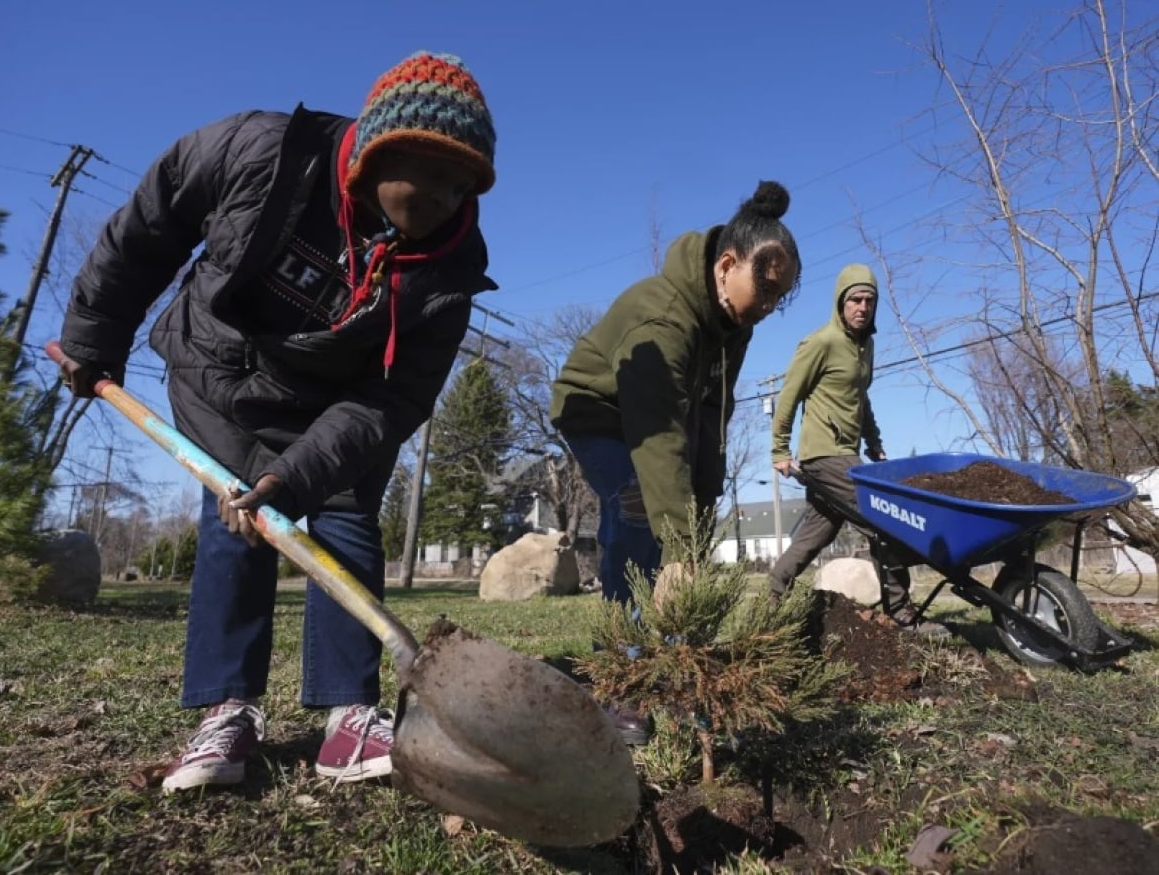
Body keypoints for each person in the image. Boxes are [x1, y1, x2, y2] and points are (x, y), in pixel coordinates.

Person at [56, 51, 499, 791]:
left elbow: (397, 399)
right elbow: (150, 226)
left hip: (342, 403)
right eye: (430, 172)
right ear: (380, 148)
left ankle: (350, 713)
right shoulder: (260, 152)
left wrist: (298, 475)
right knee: (237, 517)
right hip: (222, 371)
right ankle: (226, 710)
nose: (447, 198)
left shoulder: (451, 263)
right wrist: (93, 335)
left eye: (464, 184)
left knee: (349, 515)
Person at [549, 181, 802, 739]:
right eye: (762, 290)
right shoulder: (663, 319)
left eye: (777, 298)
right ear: (726, 265)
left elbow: (712, 413)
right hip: (597, 408)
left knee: (683, 525)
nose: (767, 307)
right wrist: (680, 548)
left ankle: (675, 667)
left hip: (661, 415)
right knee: (639, 507)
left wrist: (700, 513)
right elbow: (657, 437)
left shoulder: (733, 322)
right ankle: (622, 676)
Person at [767, 263, 948, 635]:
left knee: (816, 534)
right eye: (855, 300)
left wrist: (875, 443)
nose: (862, 307)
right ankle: (901, 613)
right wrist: (779, 450)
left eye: (869, 300)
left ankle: (771, 604)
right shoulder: (821, 343)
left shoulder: (866, 347)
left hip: (847, 453)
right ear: (840, 302)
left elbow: (860, 400)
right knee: (885, 520)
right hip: (824, 454)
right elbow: (788, 396)